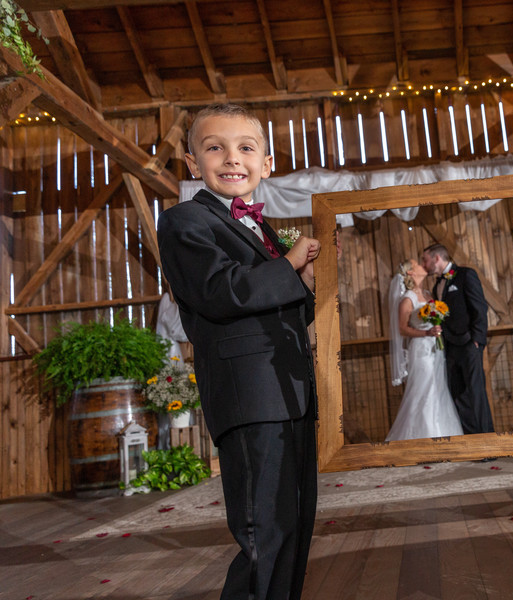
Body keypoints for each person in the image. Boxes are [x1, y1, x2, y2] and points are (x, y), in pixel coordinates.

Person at [156, 103, 321, 600]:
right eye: (215, 148)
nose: (232, 159)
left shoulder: (263, 231)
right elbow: (220, 292)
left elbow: (279, 312)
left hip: (292, 393)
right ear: (192, 163)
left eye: (246, 148)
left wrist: (304, 285)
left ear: (266, 163)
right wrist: (288, 266)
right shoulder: (184, 221)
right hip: (249, 399)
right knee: (263, 534)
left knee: (294, 527)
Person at [385, 259, 464, 441]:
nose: (423, 265)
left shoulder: (429, 294)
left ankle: (443, 433)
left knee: (438, 389)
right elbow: (402, 329)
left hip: (436, 349)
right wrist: (426, 331)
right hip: (420, 351)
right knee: (423, 392)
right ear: (411, 273)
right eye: (417, 264)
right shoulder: (407, 299)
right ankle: (422, 437)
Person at [420, 243, 494, 435]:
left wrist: (477, 340)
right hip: (450, 348)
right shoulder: (437, 285)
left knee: (476, 393)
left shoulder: (465, 274)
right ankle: (472, 440)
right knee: (458, 395)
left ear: (437, 258)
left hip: (469, 344)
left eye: (425, 259)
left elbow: (479, 308)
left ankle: (489, 442)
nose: (423, 264)